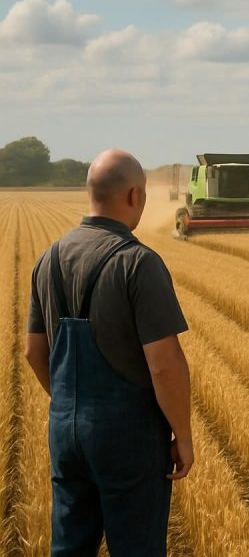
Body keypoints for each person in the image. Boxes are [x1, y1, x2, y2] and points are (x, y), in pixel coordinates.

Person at [25, 149, 193, 556]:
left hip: (64, 430)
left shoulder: (48, 259)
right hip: (128, 438)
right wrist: (182, 436)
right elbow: (163, 364)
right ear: (134, 196)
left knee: (69, 546)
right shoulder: (138, 263)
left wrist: (72, 408)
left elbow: (33, 352)